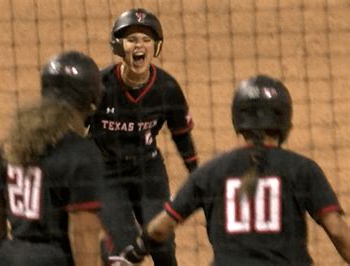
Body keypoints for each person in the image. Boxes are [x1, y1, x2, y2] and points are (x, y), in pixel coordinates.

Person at [121, 75, 350, 265]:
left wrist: (137, 250)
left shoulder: (210, 172)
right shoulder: (303, 169)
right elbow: (338, 231)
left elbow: (162, 227)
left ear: (238, 119)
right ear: (284, 120)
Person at [87, 7, 199, 266]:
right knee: (123, 250)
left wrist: (197, 176)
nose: (140, 46)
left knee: (163, 246)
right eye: (132, 39)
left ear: (156, 47)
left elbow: (182, 136)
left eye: (147, 39)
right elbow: (75, 130)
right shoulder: (99, 85)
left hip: (148, 171)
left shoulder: (167, 89)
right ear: (119, 46)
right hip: (106, 173)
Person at [0, 51, 106, 266]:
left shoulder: (10, 146)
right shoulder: (83, 155)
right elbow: (83, 237)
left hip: (9, 256)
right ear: (91, 102)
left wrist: (0, 256)